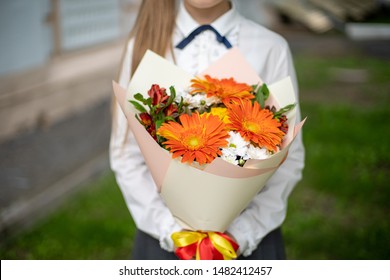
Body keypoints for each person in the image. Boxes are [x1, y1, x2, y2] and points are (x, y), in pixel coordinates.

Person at [110, 0, 305, 260]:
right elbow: (126, 153)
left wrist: (242, 233)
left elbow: (288, 159)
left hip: (248, 244)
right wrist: (172, 231)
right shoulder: (144, 42)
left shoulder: (271, 47)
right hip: (164, 244)